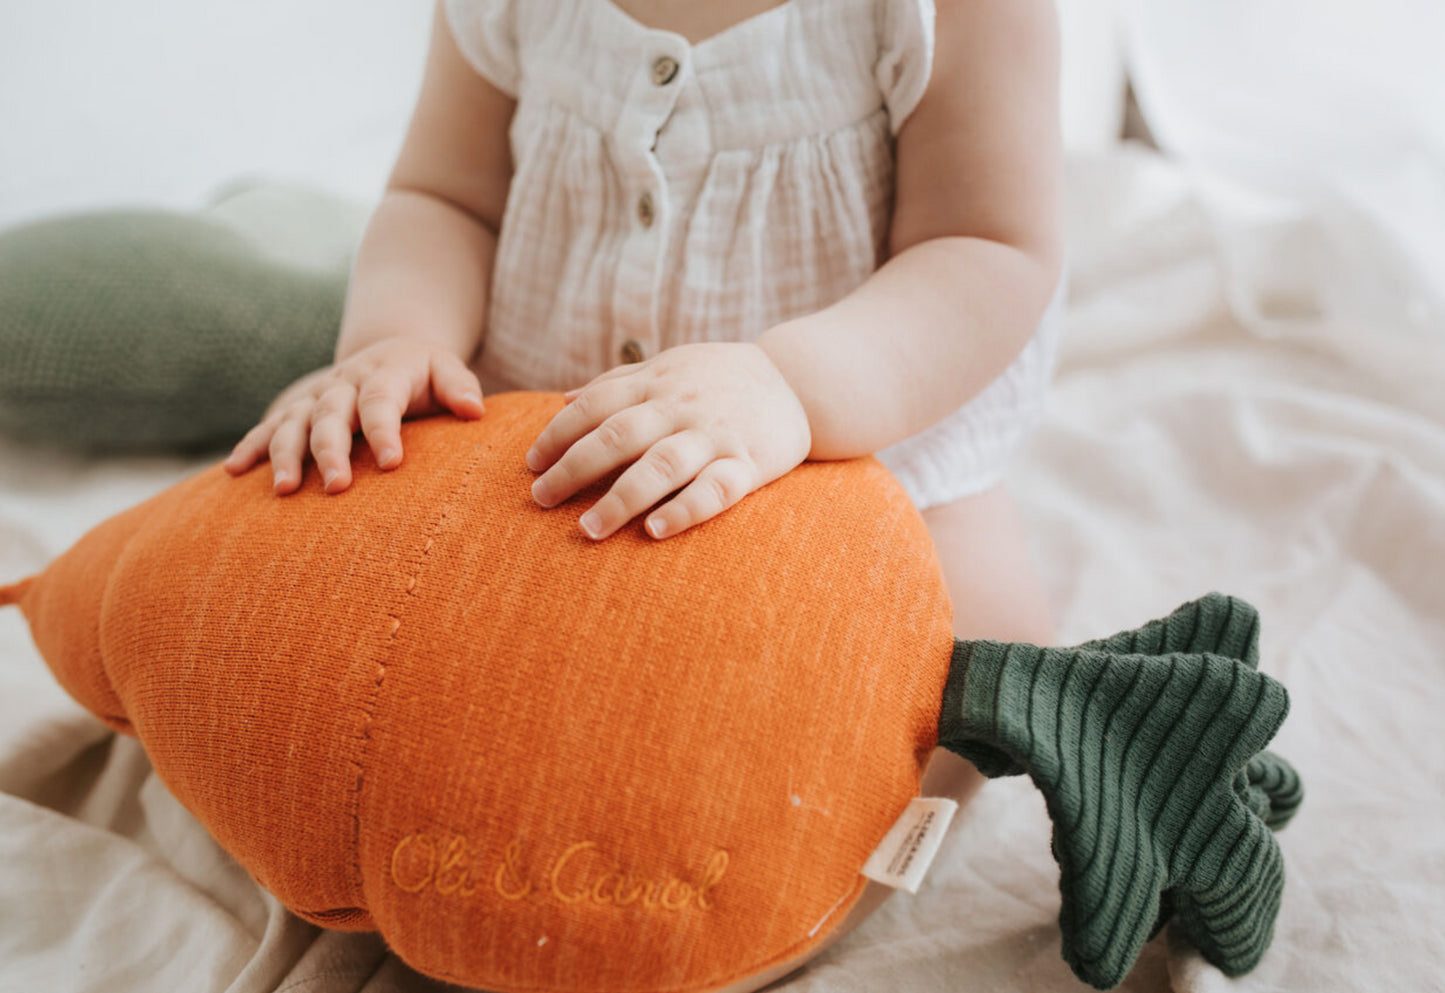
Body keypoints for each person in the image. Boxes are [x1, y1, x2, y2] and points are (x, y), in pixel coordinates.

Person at [222, 2, 1065, 983]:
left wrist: (788, 386)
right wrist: (398, 337)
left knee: (978, 664)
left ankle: (760, 913)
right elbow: (446, 199)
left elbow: (985, 247)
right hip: (548, 447)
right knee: (339, 612)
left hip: (852, 437)